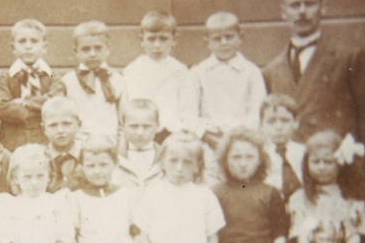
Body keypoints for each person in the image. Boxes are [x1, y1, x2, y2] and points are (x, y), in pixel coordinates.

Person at [262, 0, 365, 173]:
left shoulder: (349, 59)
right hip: (293, 175)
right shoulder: (271, 70)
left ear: (323, 7)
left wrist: (359, 170)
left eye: (309, 3)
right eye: (294, 5)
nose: (302, 11)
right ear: (283, 12)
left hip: (338, 172)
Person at [184, 12, 267, 149]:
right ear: (207, 42)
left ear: (240, 37)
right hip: (208, 140)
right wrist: (206, 134)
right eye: (217, 39)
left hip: (242, 140)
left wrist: (237, 135)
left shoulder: (251, 72)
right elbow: (189, 113)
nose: (224, 43)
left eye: (229, 37)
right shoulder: (198, 73)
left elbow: (256, 111)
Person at [68, 135, 137, 243]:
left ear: (116, 164)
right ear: (82, 167)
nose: (97, 171)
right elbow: (70, 239)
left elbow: (138, 235)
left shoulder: (127, 194)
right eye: (90, 166)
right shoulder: (76, 198)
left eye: (103, 165)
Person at [123, 10, 189, 139]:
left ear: (174, 39)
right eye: (151, 39)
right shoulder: (133, 70)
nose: (157, 45)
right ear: (142, 40)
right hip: (142, 132)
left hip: (173, 132)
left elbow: (186, 107)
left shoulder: (180, 70)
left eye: (163, 39)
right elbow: (131, 104)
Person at [53, 20, 126, 138]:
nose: (92, 54)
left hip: (110, 141)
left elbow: (123, 117)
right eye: (86, 49)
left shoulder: (118, 80)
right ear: (76, 51)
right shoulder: (68, 81)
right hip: (79, 142)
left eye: (98, 48)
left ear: (108, 49)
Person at [0, 18, 55, 150]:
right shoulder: (6, 77)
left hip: (44, 138)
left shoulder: (52, 77)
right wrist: (40, 108)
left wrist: (24, 102)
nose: (28, 46)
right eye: (22, 41)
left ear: (44, 47)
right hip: (14, 139)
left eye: (34, 41)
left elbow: (55, 103)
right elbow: (2, 108)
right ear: (13, 47)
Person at [260, 93, 305, 201]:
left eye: (285, 120)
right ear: (261, 125)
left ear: (296, 123)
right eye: (271, 121)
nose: (278, 127)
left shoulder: (304, 153)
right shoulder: (260, 155)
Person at [113, 99, 162, 190]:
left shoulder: (165, 157)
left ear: (158, 126)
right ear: (122, 126)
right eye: (134, 126)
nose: (140, 133)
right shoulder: (113, 157)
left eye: (147, 126)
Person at [42, 96, 83, 192]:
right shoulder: (40, 159)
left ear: (79, 125)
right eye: (53, 125)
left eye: (66, 124)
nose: (60, 130)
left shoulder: (87, 155)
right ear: (44, 129)